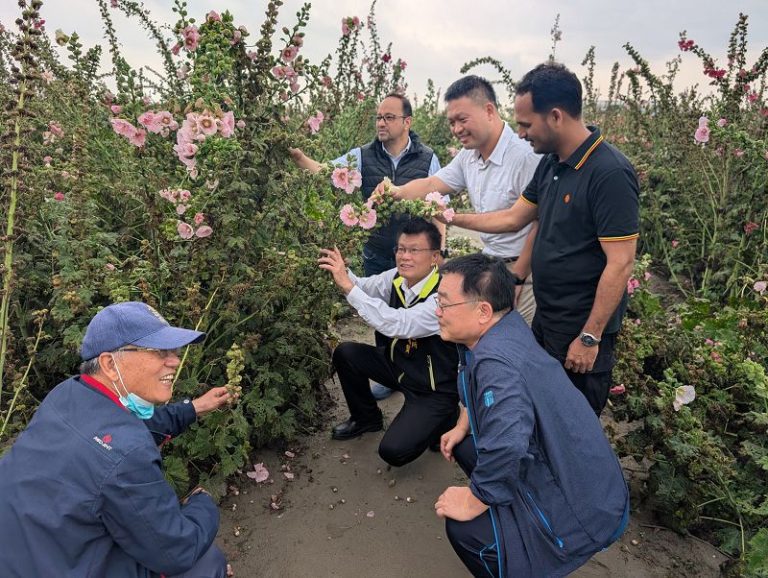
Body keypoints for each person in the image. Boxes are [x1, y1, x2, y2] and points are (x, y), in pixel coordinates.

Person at [441, 63, 639, 415]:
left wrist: (590, 336)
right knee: (543, 412)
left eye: (527, 124)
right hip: (548, 318)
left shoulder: (609, 173)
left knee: (573, 423)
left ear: (556, 117)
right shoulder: (551, 164)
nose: (520, 134)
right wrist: (454, 219)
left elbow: (621, 263)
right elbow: (518, 218)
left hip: (579, 328)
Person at [0, 302, 235, 578]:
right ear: (110, 364)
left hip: (28, 555)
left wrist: (195, 407)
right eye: (160, 351)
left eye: (174, 351)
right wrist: (202, 504)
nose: (174, 360)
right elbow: (177, 551)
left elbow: (134, 428)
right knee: (206, 563)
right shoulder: (127, 453)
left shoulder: (67, 394)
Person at [433, 254, 629, 577]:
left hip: (585, 514)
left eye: (444, 304)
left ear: (483, 311)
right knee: (468, 446)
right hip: (587, 481)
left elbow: (508, 443)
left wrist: (474, 500)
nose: (438, 312)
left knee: (463, 530)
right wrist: (462, 425)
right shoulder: (504, 328)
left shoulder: (496, 363)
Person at [292, 92, 441, 401]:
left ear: (407, 122)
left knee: (416, 314)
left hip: (416, 255)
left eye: (389, 117)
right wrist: (297, 157)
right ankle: (388, 372)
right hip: (377, 251)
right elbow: (327, 173)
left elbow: (438, 206)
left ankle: (418, 374)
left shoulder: (427, 158)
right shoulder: (362, 155)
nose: (381, 123)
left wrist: (441, 252)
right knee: (381, 313)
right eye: (378, 117)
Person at [375, 75, 541, 326]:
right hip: (495, 267)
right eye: (452, 122)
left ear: (489, 110)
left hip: (525, 273)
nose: (456, 129)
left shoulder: (524, 156)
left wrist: (518, 278)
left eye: (462, 120)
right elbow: (432, 183)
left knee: (515, 345)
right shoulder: (469, 156)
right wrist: (395, 190)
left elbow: (535, 223)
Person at [319, 218, 459, 467]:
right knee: (347, 353)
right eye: (401, 249)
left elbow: (398, 323)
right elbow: (362, 286)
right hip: (401, 367)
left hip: (432, 387)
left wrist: (348, 287)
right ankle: (366, 418)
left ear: (435, 256)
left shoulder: (443, 294)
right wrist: (342, 269)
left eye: (414, 250)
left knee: (394, 452)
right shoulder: (397, 277)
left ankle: (446, 417)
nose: (404, 257)